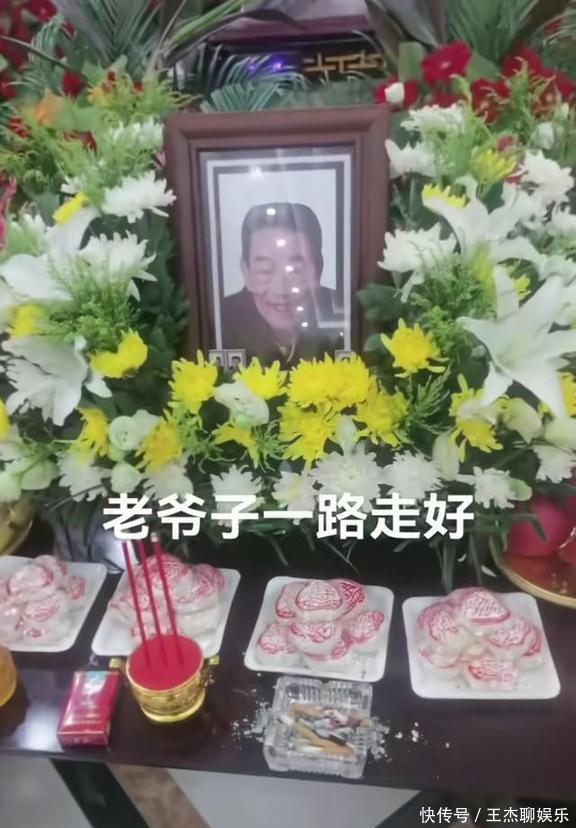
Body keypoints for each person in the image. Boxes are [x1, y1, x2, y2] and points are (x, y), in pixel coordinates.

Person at [221, 202, 345, 365]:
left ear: (318, 269)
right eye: (265, 270)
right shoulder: (222, 321)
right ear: (246, 272)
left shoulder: (344, 313)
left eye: (295, 270)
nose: (281, 290)